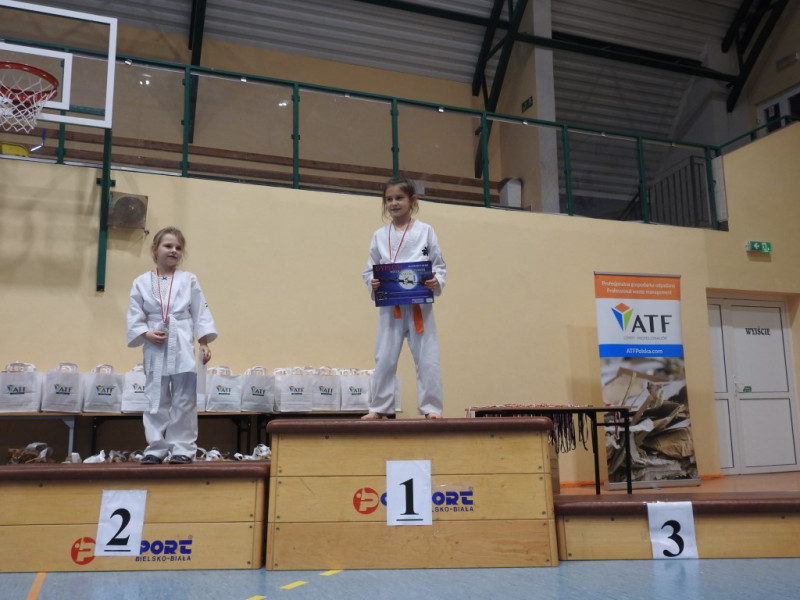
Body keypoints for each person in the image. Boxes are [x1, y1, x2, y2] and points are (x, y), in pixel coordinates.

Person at [126, 226, 217, 463]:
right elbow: (135, 314)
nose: (173, 250)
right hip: (155, 344)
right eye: (168, 246)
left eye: (178, 247)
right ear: (155, 250)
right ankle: (156, 448)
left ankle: (182, 449)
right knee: (155, 398)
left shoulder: (189, 279)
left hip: (182, 340)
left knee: (184, 398)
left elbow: (199, 311)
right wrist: (146, 333)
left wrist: (204, 343)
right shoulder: (141, 282)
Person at [362, 177, 446, 420]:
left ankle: (431, 408)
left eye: (399, 198)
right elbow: (369, 269)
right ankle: (380, 407)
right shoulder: (379, 235)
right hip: (392, 305)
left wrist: (435, 281)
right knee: (384, 356)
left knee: (427, 357)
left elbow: (439, 266)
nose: (394, 203)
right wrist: (373, 282)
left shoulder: (426, 231)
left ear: (412, 201)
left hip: (419, 305)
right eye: (389, 199)